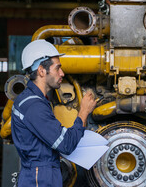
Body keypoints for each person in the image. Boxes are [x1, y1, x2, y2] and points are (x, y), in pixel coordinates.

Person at [11, 39, 96, 186]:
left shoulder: (38, 101)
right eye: (58, 68)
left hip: (45, 173)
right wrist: (83, 112)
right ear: (41, 71)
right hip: (40, 177)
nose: (62, 73)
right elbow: (66, 145)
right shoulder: (33, 106)